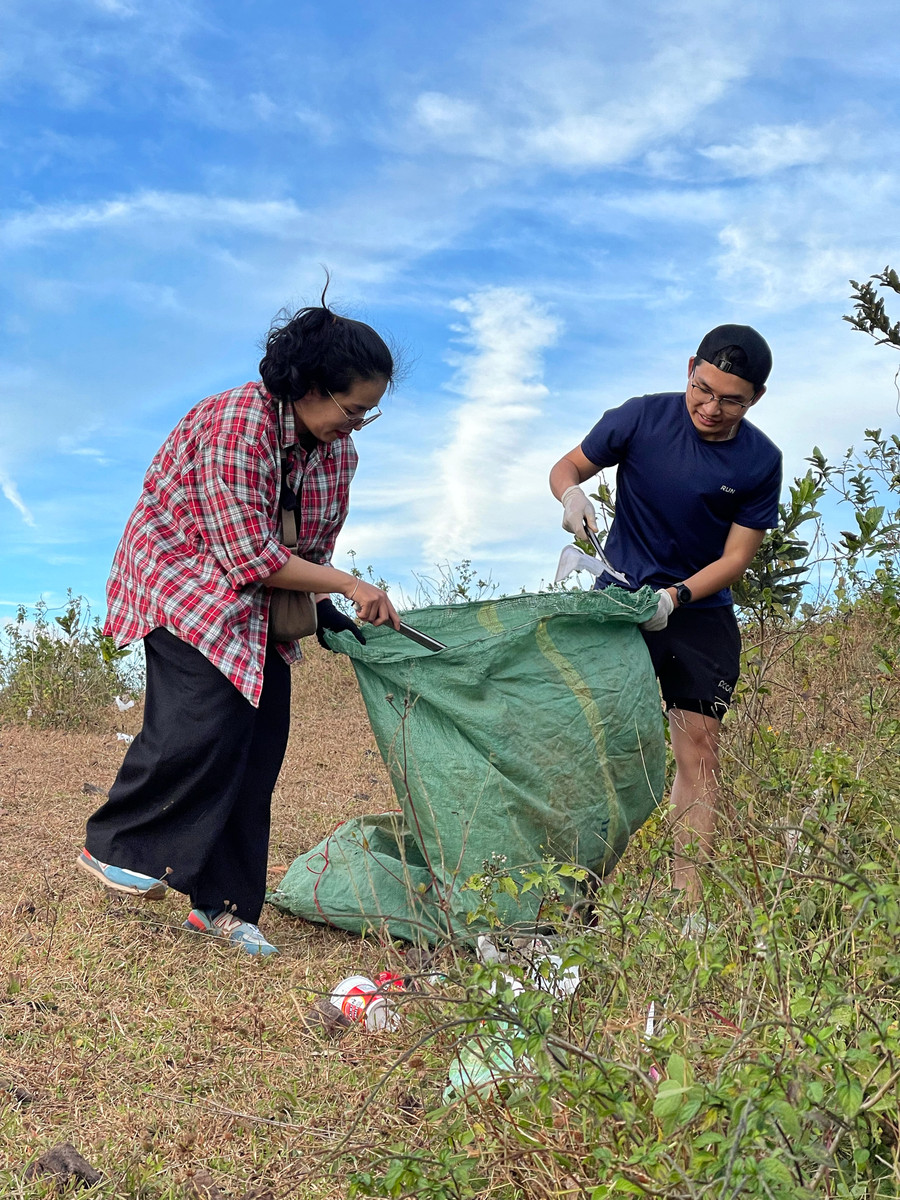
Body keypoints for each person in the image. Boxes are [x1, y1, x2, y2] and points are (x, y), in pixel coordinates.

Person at [77, 296, 401, 955]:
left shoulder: (337, 457)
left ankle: (223, 908)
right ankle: (118, 846)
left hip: (262, 605)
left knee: (259, 748)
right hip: (186, 581)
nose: (357, 425)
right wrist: (346, 585)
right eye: (351, 409)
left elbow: (309, 550)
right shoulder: (235, 423)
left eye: (368, 412)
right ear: (310, 388)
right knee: (204, 722)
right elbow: (247, 554)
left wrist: (324, 606)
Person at [549, 325, 782, 901]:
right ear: (689, 368)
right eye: (703, 389)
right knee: (589, 739)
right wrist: (571, 496)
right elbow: (567, 467)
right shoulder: (640, 418)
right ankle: (569, 892)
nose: (711, 407)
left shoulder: (760, 460)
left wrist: (674, 598)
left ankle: (688, 902)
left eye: (732, 400)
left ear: (756, 399)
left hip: (698, 609)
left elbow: (735, 559)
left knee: (699, 747)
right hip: (617, 598)